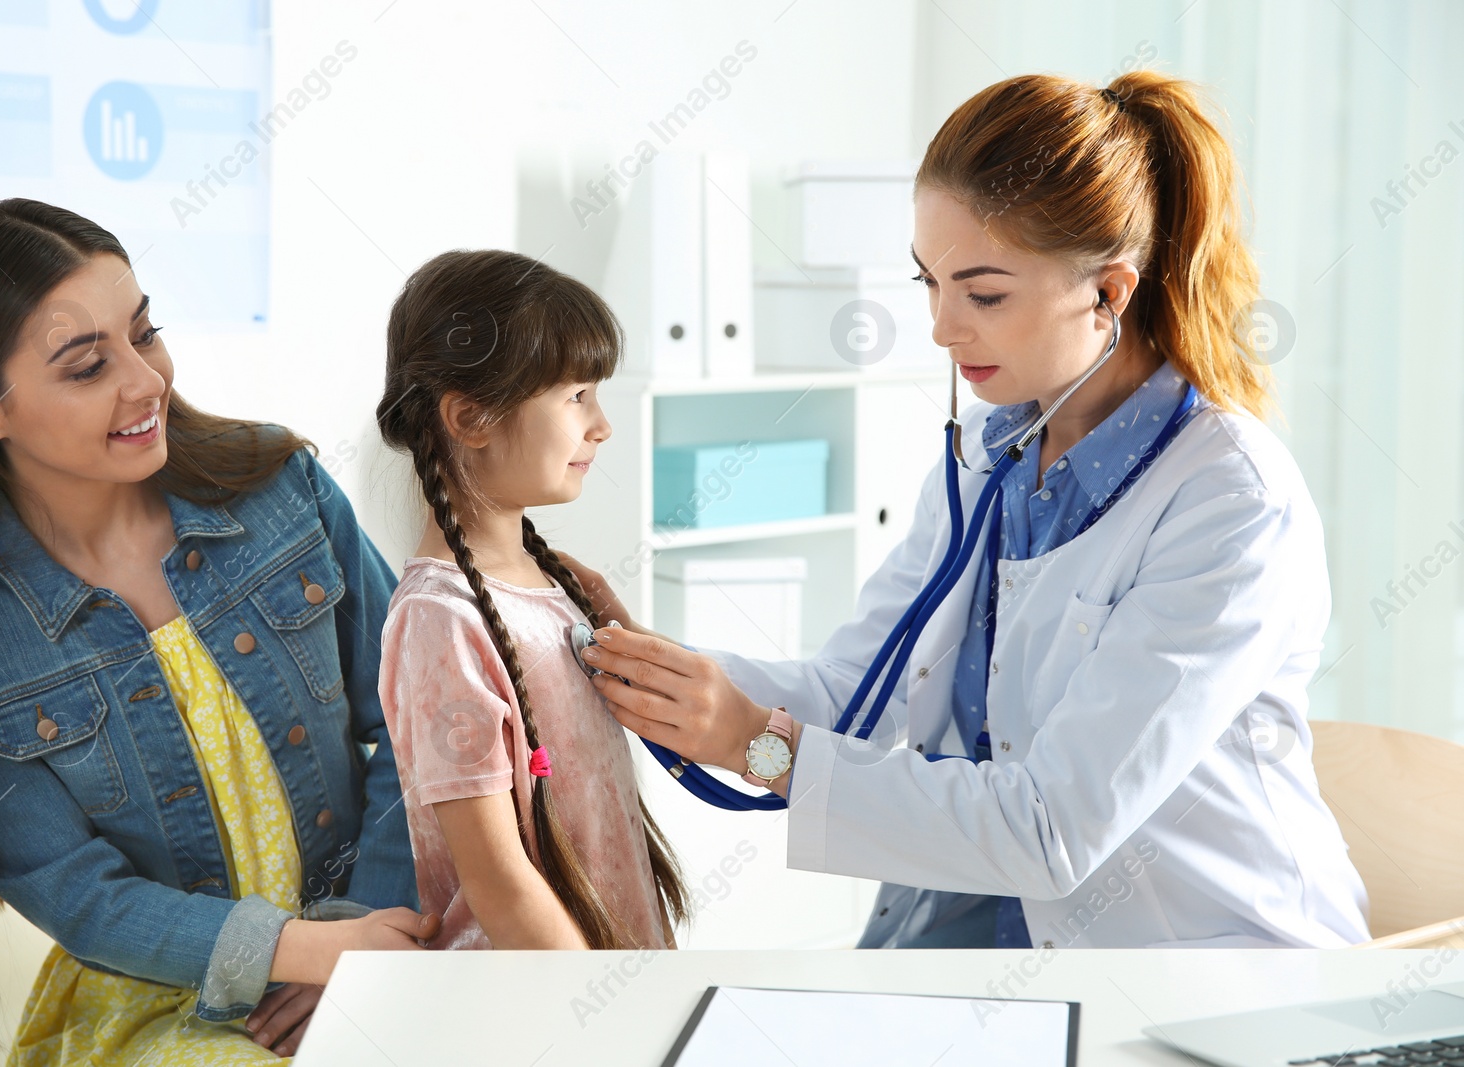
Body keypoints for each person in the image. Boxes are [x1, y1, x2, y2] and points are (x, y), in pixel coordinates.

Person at [564, 71, 1371, 949]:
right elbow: (854, 690)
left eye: (984, 294)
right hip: (979, 930)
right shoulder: (991, 454)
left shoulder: (1231, 502)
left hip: (1198, 971)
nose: (944, 328)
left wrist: (761, 743)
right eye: (929, 284)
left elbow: (1050, 826)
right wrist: (647, 667)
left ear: (1111, 291)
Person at [0, 199, 435, 1066]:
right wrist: (303, 954)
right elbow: (87, 899)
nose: (145, 380)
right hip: (167, 998)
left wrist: (355, 938)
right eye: (88, 365)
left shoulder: (281, 488)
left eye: (144, 332)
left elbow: (416, 717)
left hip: (379, 932)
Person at [376, 249, 688, 951]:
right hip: (548, 1005)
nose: (601, 424)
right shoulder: (440, 621)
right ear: (471, 417)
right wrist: (597, 1013)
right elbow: (501, 886)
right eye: (577, 396)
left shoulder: (554, 586)